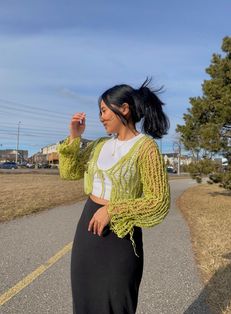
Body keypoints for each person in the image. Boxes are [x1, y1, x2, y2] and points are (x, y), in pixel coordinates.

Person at [57, 78, 171, 314]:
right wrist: (74, 138)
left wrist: (113, 210)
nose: (101, 117)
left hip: (121, 236)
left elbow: (158, 201)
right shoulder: (99, 145)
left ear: (124, 109)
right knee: (85, 298)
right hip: (87, 232)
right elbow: (69, 172)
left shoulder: (145, 148)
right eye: (100, 112)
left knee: (116, 302)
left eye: (104, 111)